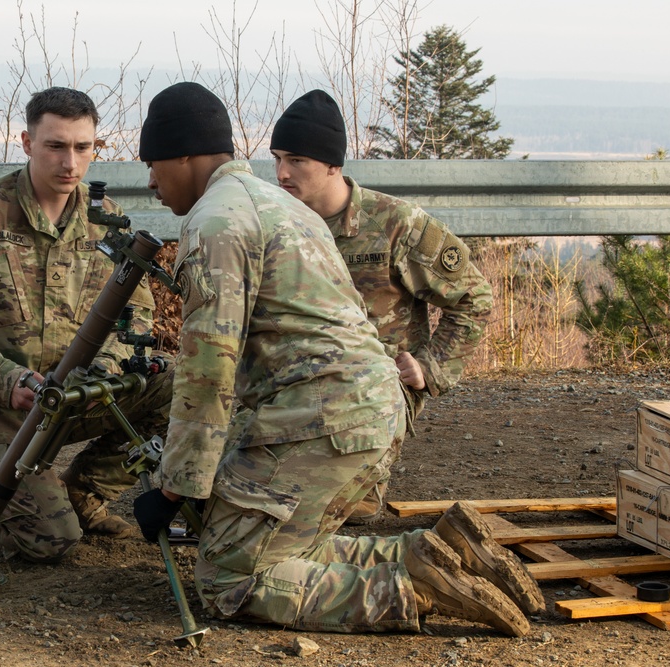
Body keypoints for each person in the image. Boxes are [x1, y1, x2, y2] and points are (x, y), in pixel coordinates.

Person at [131, 81, 540, 636]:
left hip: (322, 421)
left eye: (153, 163)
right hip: (364, 412)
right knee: (292, 546)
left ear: (183, 154)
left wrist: (174, 487)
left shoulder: (217, 224)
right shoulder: (278, 205)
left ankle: (412, 591)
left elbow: (209, 374)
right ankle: (437, 550)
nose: (150, 181)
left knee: (228, 577)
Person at [0, 87, 171, 563]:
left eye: (82, 148)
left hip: (69, 398)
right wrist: (6, 380)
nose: (70, 163)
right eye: (55, 146)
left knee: (177, 382)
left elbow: (138, 312)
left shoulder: (105, 220)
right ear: (27, 143)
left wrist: (107, 367)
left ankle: (82, 493)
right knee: (51, 543)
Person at [270, 89, 494, 524]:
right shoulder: (278, 222)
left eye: (297, 161)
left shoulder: (395, 225)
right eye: (277, 158)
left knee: (331, 511)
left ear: (334, 164)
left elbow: (474, 298)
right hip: (296, 384)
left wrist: (429, 368)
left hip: (374, 396)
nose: (281, 172)